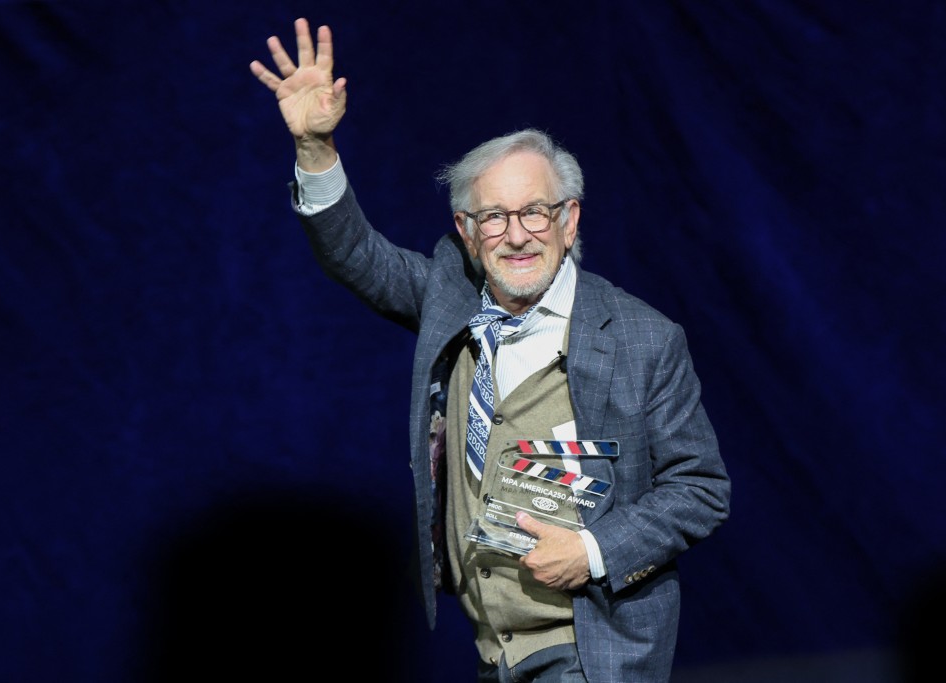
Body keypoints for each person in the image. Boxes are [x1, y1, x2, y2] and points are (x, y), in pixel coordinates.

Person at [250, 18, 731, 683]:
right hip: (495, 653)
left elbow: (700, 487)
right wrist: (315, 146)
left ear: (569, 220)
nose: (517, 235)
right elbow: (356, 254)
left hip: (592, 653)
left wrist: (592, 549)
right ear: (467, 232)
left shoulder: (642, 337)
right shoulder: (452, 301)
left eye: (535, 211)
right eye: (494, 217)